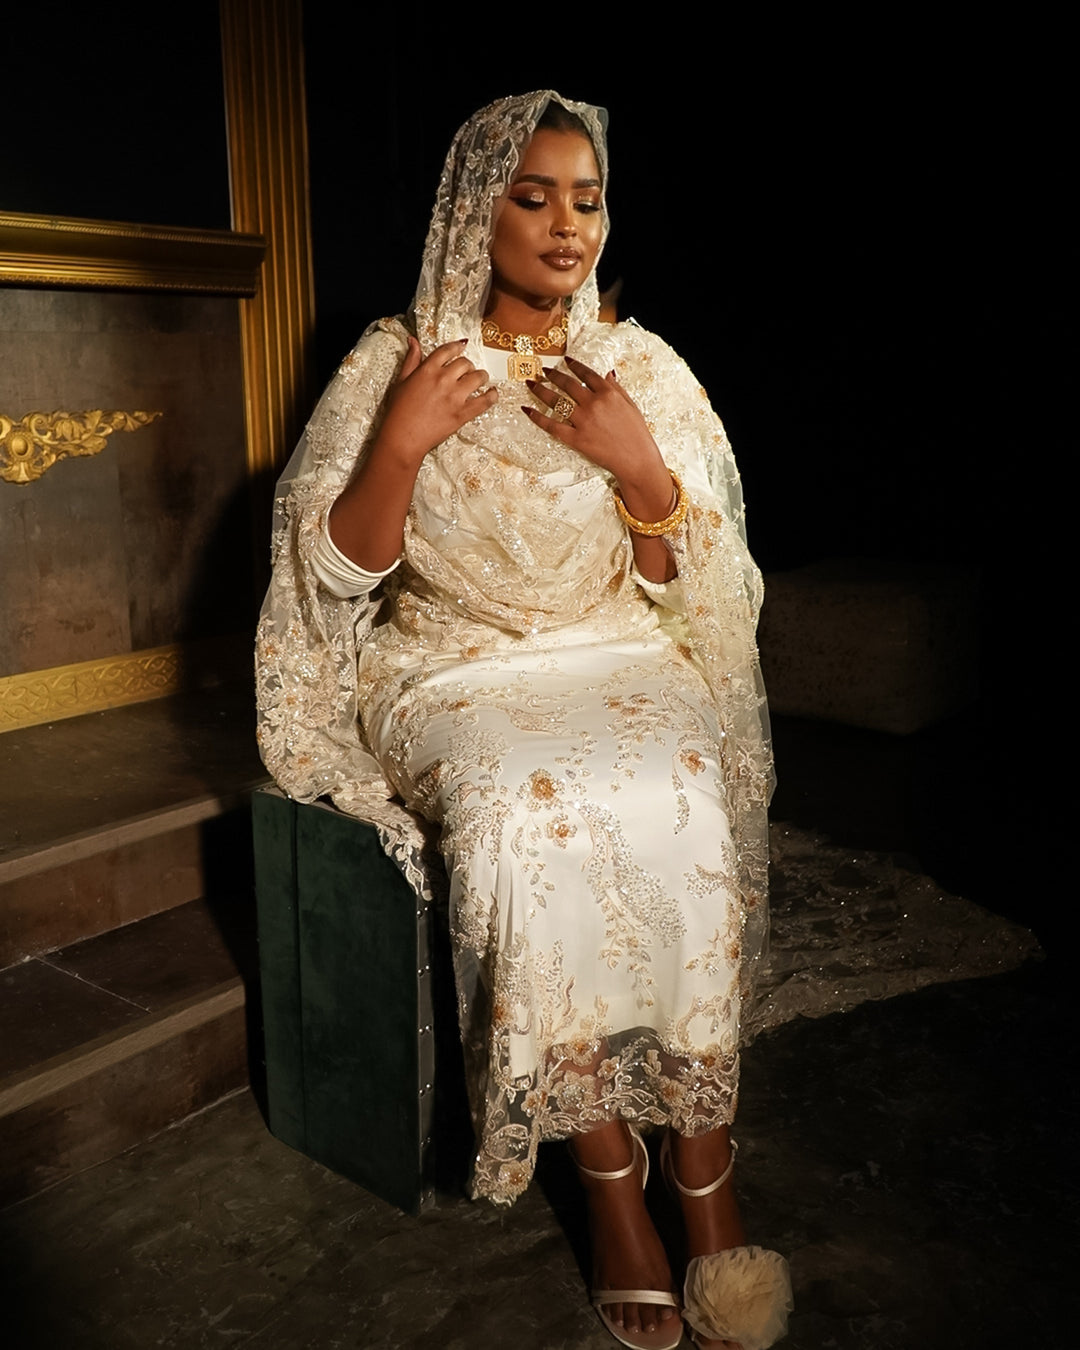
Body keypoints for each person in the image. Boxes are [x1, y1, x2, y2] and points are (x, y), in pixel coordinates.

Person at [256, 91, 791, 1350]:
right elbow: (332, 579)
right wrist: (399, 446)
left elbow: (700, 589)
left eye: (586, 200)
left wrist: (639, 465)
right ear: (473, 209)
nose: (565, 226)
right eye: (534, 196)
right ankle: (608, 1177)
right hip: (453, 669)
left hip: (613, 649)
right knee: (517, 814)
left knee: (680, 791)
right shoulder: (398, 359)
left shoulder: (639, 365)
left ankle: (701, 1166)